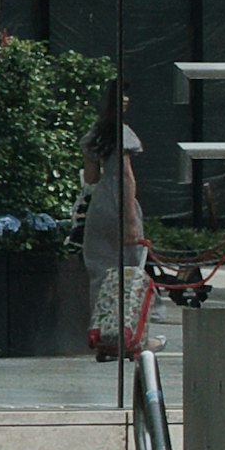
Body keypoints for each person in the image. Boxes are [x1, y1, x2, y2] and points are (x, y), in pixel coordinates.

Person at [77, 76, 147, 362]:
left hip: (100, 203)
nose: (127, 101)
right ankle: (127, 333)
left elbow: (91, 177)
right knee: (130, 268)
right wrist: (131, 219)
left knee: (101, 271)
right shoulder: (124, 133)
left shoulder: (96, 133)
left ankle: (102, 334)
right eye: (123, 97)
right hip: (121, 201)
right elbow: (128, 176)